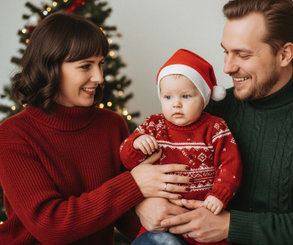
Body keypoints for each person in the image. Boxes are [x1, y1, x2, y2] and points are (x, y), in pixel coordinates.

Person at [134, 0, 293, 244]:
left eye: (242, 54)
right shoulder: (211, 109)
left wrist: (230, 226)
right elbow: (149, 167)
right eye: (225, 51)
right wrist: (143, 203)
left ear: (284, 54)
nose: (227, 67)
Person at [0, 12, 192, 244]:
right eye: (85, 66)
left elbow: (124, 214)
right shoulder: (12, 134)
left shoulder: (111, 125)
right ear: (50, 67)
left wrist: (164, 214)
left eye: (100, 64)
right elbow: (51, 226)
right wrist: (134, 184)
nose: (99, 77)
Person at [120, 48, 242, 245]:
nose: (176, 104)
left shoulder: (215, 127)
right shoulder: (153, 125)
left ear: (203, 98)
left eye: (185, 96)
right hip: (162, 220)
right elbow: (127, 159)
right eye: (168, 97)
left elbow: (230, 165)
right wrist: (136, 144)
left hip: (204, 219)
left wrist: (219, 195)